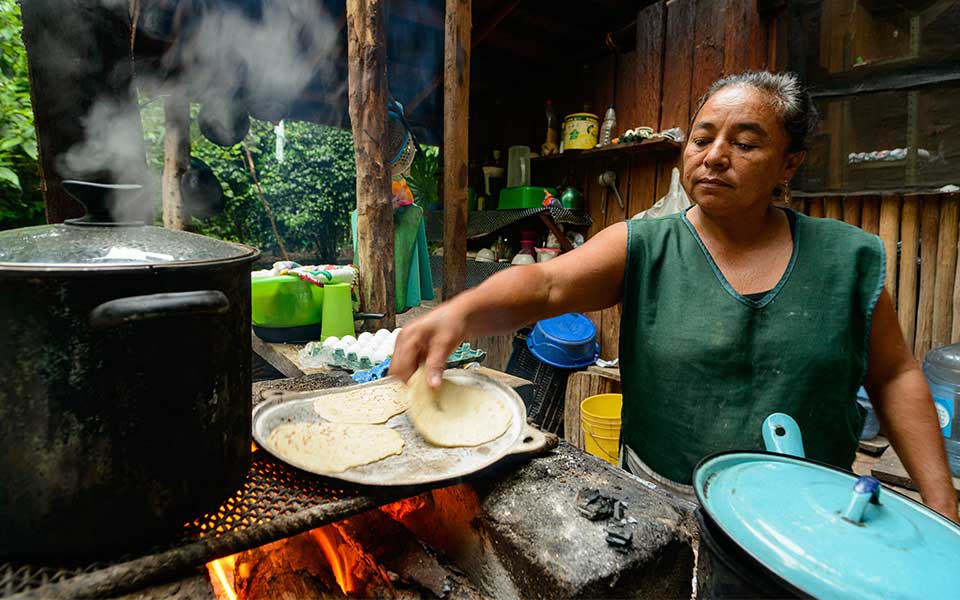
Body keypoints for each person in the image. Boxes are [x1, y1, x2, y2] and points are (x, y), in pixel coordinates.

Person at [389, 71, 959, 522]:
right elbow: (548, 283)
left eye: (745, 143)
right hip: (664, 508)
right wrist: (460, 313)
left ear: (789, 163)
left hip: (810, 516)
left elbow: (894, 375)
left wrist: (941, 509)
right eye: (702, 139)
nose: (714, 156)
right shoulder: (645, 244)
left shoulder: (846, 259)